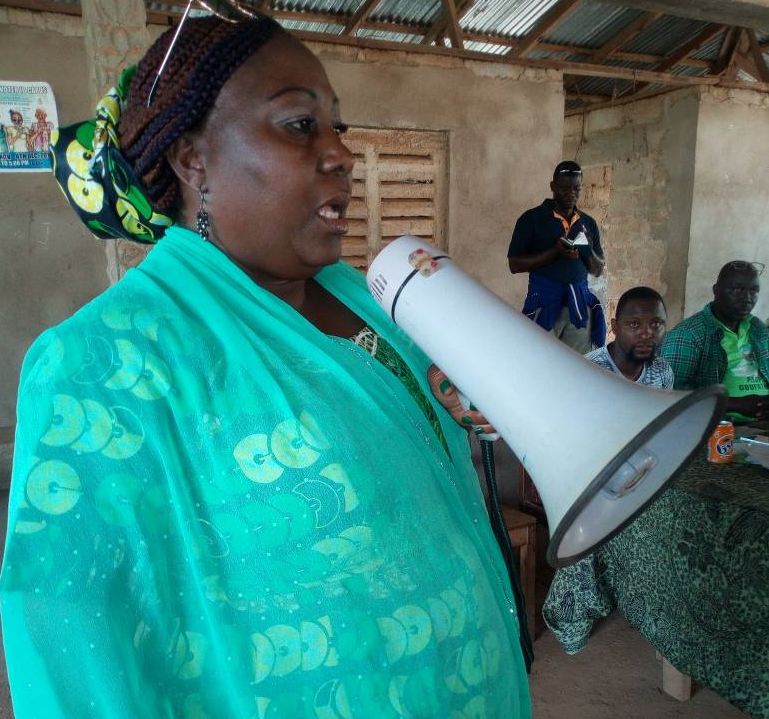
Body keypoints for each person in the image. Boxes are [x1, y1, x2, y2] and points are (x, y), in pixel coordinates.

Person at [0, 13, 531, 719]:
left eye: (338, 127)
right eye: (300, 126)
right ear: (192, 161)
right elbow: (73, 643)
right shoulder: (106, 361)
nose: (341, 153)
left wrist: (477, 406)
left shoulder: (371, 299)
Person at [508, 160, 606, 354]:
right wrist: (554, 252)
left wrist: (586, 250)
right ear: (553, 186)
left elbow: (597, 269)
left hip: (578, 308)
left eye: (576, 189)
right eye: (565, 188)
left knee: (577, 364)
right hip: (543, 304)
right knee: (540, 360)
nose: (571, 194)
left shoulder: (588, 223)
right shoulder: (532, 219)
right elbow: (514, 264)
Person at [660, 260, 769, 422]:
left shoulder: (757, 328)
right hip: (720, 427)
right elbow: (672, 394)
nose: (747, 298)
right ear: (716, 290)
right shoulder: (688, 335)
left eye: (754, 290)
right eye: (737, 289)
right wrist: (734, 404)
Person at [585, 286, 673, 389]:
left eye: (656, 324)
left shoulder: (662, 370)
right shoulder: (587, 370)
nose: (646, 335)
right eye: (634, 324)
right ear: (615, 327)